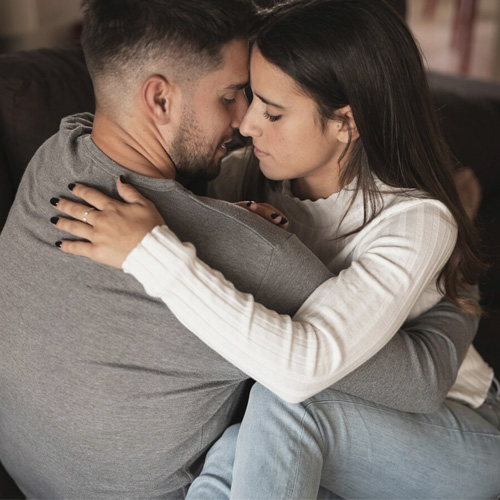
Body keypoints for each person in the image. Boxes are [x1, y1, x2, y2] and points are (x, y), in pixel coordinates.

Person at [52, 0, 500, 498]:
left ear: (346, 123)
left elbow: (301, 370)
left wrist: (149, 253)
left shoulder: (414, 221)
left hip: (461, 433)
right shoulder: (247, 173)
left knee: (283, 404)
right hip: (332, 420)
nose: (245, 125)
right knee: (231, 448)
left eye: (273, 111)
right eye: (248, 98)